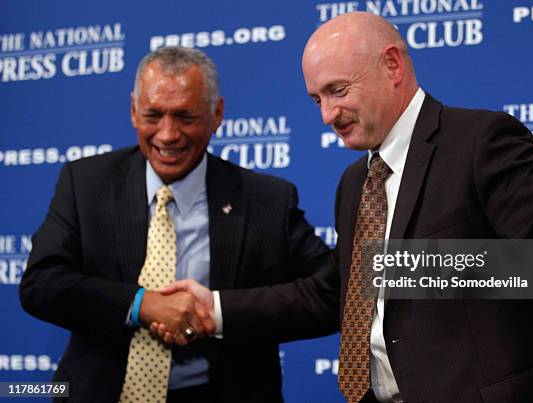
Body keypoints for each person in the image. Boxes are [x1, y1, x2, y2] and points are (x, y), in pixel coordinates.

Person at [159, 12, 533, 403]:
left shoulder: (477, 143)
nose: (327, 115)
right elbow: (336, 293)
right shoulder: (355, 182)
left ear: (392, 65)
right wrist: (214, 308)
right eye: (317, 99)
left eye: (338, 90)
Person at [19, 46, 338, 403]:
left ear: (216, 114)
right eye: (153, 115)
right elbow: (41, 283)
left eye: (185, 117)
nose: (167, 135)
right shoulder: (86, 183)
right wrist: (142, 304)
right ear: (133, 112)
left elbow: (330, 294)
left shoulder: (267, 200)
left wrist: (217, 313)